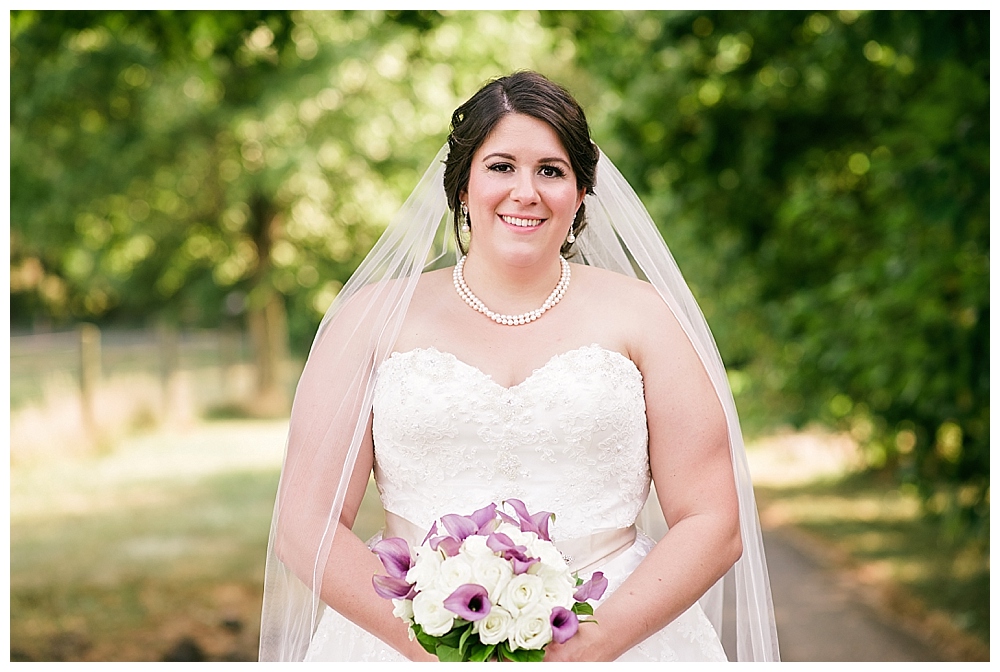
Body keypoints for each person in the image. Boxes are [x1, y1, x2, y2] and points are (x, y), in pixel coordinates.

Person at [258, 71, 780, 662]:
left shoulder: (646, 317)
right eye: (501, 166)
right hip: (402, 644)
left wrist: (593, 645)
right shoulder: (369, 321)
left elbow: (713, 520)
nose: (525, 191)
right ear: (461, 186)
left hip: (621, 638)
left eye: (551, 171)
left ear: (581, 192)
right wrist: (433, 644)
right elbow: (306, 522)